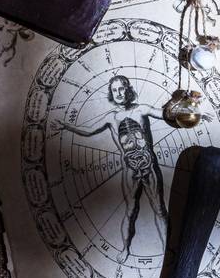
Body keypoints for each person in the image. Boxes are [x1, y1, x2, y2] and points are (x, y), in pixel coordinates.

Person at [57, 74, 168, 257]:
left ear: (128, 89)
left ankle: (167, 250)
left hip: (150, 167)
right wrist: (67, 127)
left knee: (160, 209)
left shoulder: (142, 109)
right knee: (130, 211)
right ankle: (125, 250)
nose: (119, 93)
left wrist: (188, 111)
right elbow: (89, 131)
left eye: (121, 88)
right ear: (111, 94)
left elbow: (164, 114)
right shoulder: (111, 117)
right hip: (130, 171)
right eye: (114, 90)